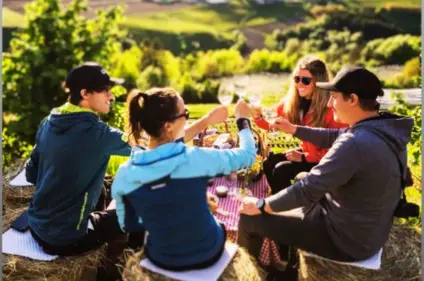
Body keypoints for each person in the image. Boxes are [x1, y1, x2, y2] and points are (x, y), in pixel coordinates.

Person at [25, 62, 229, 256]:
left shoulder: (48, 122)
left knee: (108, 185)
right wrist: (206, 121)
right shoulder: (97, 133)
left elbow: (31, 173)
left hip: (36, 225)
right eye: (104, 90)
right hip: (67, 238)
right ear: (85, 94)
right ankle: (131, 264)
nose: (111, 95)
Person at [237, 66, 413, 265]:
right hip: (368, 230)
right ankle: (286, 254)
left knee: (248, 219)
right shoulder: (382, 129)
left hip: (346, 241)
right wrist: (294, 129)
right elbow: (331, 136)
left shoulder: (355, 143)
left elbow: (308, 189)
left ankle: (267, 274)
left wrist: (261, 204)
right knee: (301, 178)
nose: (330, 103)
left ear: (353, 99)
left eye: (334, 97)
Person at [111, 87, 256, 271]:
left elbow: (128, 224)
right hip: (207, 253)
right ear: (168, 126)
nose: (187, 118)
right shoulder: (195, 158)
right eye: (185, 114)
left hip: (160, 258)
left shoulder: (125, 174)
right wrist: (243, 120)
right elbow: (248, 155)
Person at [252, 55, 347, 194]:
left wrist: (304, 157)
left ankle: (290, 209)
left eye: (306, 80)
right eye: (297, 79)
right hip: (308, 153)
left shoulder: (331, 108)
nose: (299, 84)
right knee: (269, 162)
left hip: (326, 162)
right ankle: (278, 203)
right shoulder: (295, 102)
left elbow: (338, 149)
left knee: (281, 170)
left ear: (318, 82)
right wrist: (257, 116)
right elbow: (271, 123)